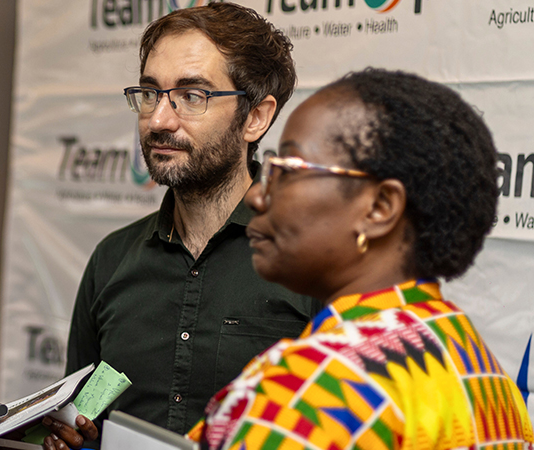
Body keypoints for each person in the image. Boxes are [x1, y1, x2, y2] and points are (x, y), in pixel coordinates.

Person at [186, 68, 534, 449]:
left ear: (379, 207)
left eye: (287, 170)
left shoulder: (314, 390)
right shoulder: (490, 380)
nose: (256, 197)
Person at [52, 4, 322, 448]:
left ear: (255, 117)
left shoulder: (310, 261)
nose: (159, 119)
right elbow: (79, 420)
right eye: (150, 93)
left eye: (192, 96)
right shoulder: (112, 259)